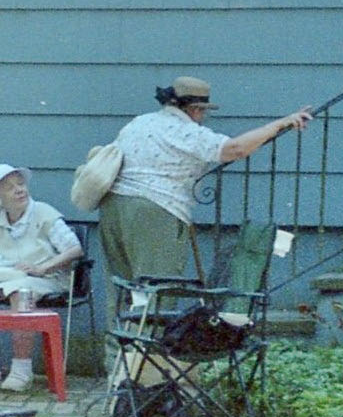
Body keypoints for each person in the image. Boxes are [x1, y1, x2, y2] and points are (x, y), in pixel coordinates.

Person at [99, 76, 313, 285]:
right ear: (195, 109)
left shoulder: (139, 123)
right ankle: (152, 323)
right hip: (156, 210)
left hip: (112, 206)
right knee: (157, 289)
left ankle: (120, 323)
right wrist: (278, 125)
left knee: (123, 289)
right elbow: (235, 149)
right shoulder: (187, 132)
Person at [0, 164, 84, 391]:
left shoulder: (44, 213)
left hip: (46, 277)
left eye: (21, 184)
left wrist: (44, 267)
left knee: (21, 291)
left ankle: (21, 369)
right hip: (7, 276)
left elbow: (75, 250)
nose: (19, 190)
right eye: (9, 187)